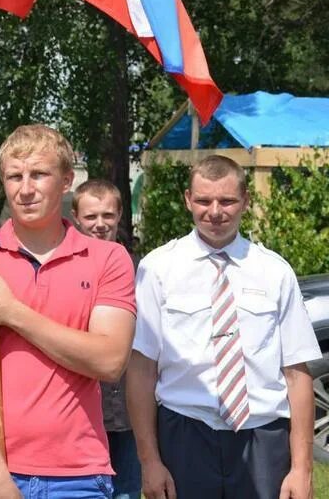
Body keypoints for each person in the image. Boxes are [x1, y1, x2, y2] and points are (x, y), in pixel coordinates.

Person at [0, 124, 136, 499]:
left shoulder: (107, 258)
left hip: (79, 475)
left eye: (39, 174)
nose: (25, 188)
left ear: (66, 181)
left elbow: (109, 360)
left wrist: (13, 313)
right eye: (14, 176)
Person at [126, 155, 319, 499]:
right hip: (184, 434)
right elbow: (142, 370)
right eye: (203, 200)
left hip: (262, 436)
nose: (215, 211)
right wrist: (149, 461)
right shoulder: (158, 269)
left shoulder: (275, 272)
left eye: (227, 200)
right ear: (187, 199)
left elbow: (297, 373)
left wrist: (301, 468)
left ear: (246, 200)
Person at [72, 179, 141, 499]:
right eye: (91, 217)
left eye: (108, 216)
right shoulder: (65, 270)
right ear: (75, 217)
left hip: (130, 411)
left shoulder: (143, 272)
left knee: (126, 491)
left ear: (120, 216)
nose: (100, 225)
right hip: (81, 413)